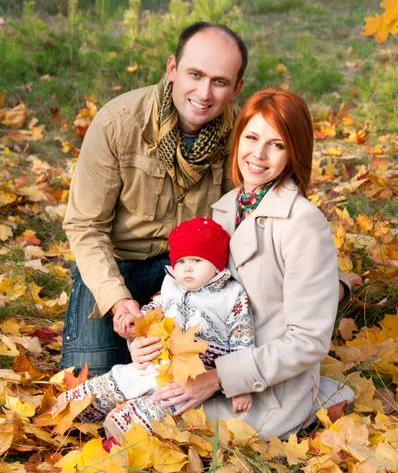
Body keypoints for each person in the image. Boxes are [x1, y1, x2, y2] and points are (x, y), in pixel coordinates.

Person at [130, 88, 354, 440]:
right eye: (252, 137)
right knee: (121, 396)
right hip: (210, 356)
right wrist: (148, 335)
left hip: (266, 387)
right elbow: (201, 292)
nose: (259, 155)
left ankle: (314, 402)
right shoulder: (226, 205)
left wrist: (217, 377)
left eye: (276, 145)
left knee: (148, 424)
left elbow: (308, 340)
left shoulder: (303, 223)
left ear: (293, 152)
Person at [61, 22, 247, 376]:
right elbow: (85, 225)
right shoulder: (118, 123)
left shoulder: (243, 135)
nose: (204, 93)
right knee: (90, 382)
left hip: (198, 269)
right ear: (172, 69)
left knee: (192, 381)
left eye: (220, 82)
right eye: (195, 74)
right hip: (119, 264)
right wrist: (117, 299)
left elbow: (260, 216)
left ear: (236, 87)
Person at [53, 217, 255, 440]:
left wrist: (240, 385)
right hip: (158, 357)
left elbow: (242, 340)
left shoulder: (231, 295)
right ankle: (74, 408)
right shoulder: (172, 284)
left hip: (194, 372)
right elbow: (156, 309)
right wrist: (137, 325)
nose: (187, 268)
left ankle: (124, 430)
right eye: (181, 261)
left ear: (217, 265)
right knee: (123, 376)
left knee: (166, 401)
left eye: (197, 260)